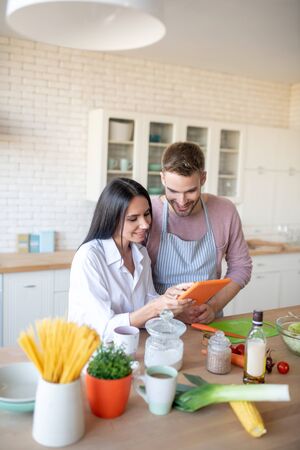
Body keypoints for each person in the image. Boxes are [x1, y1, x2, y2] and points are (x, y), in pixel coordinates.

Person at [68, 177, 193, 342]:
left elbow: (146, 302)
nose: (145, 224)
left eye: (147, 214)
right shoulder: (89, 257)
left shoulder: (140, 252)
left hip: (132, 347)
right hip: (94, 354)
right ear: (112, 218)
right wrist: (155, 307)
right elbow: (103, 330)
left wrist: (168, 299)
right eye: (133, 219)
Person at [147, 141, 252, 324]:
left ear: (202, 179)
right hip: (158, 324)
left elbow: (241, 267)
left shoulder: (224, 211)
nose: (181, 201)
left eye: (190, 191)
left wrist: (213, 307)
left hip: (207, 322)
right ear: (163, 178)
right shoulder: (147, 213)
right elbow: (132, 279)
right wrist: (173, 311)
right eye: (173, 191)